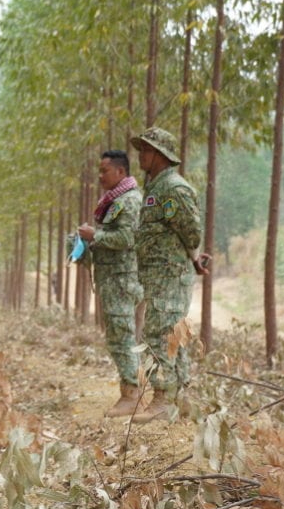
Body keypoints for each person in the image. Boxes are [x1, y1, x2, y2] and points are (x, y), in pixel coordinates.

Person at [129, 127, 208, 424]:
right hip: (158, 277)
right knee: (172, 335)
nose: (141, 155)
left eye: (146, 150)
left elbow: (191, 232)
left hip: (170, 276)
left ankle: (163, 398)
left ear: (160, 155)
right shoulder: (155, 187)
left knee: (158, 335)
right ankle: (180, 397)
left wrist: (190, 259)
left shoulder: (173, 189)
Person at [76, 150, 144, 418]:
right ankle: (131, 390)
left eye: (105, 171)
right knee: (118, 337)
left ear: (120, 172)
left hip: (122, 280)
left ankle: (131, 395)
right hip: (112, 280)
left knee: (122, 338)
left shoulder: (129, 201)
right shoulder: (114, 201)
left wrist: (96, 235)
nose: (100, 176)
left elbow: (128, 238)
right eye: (100, 170)